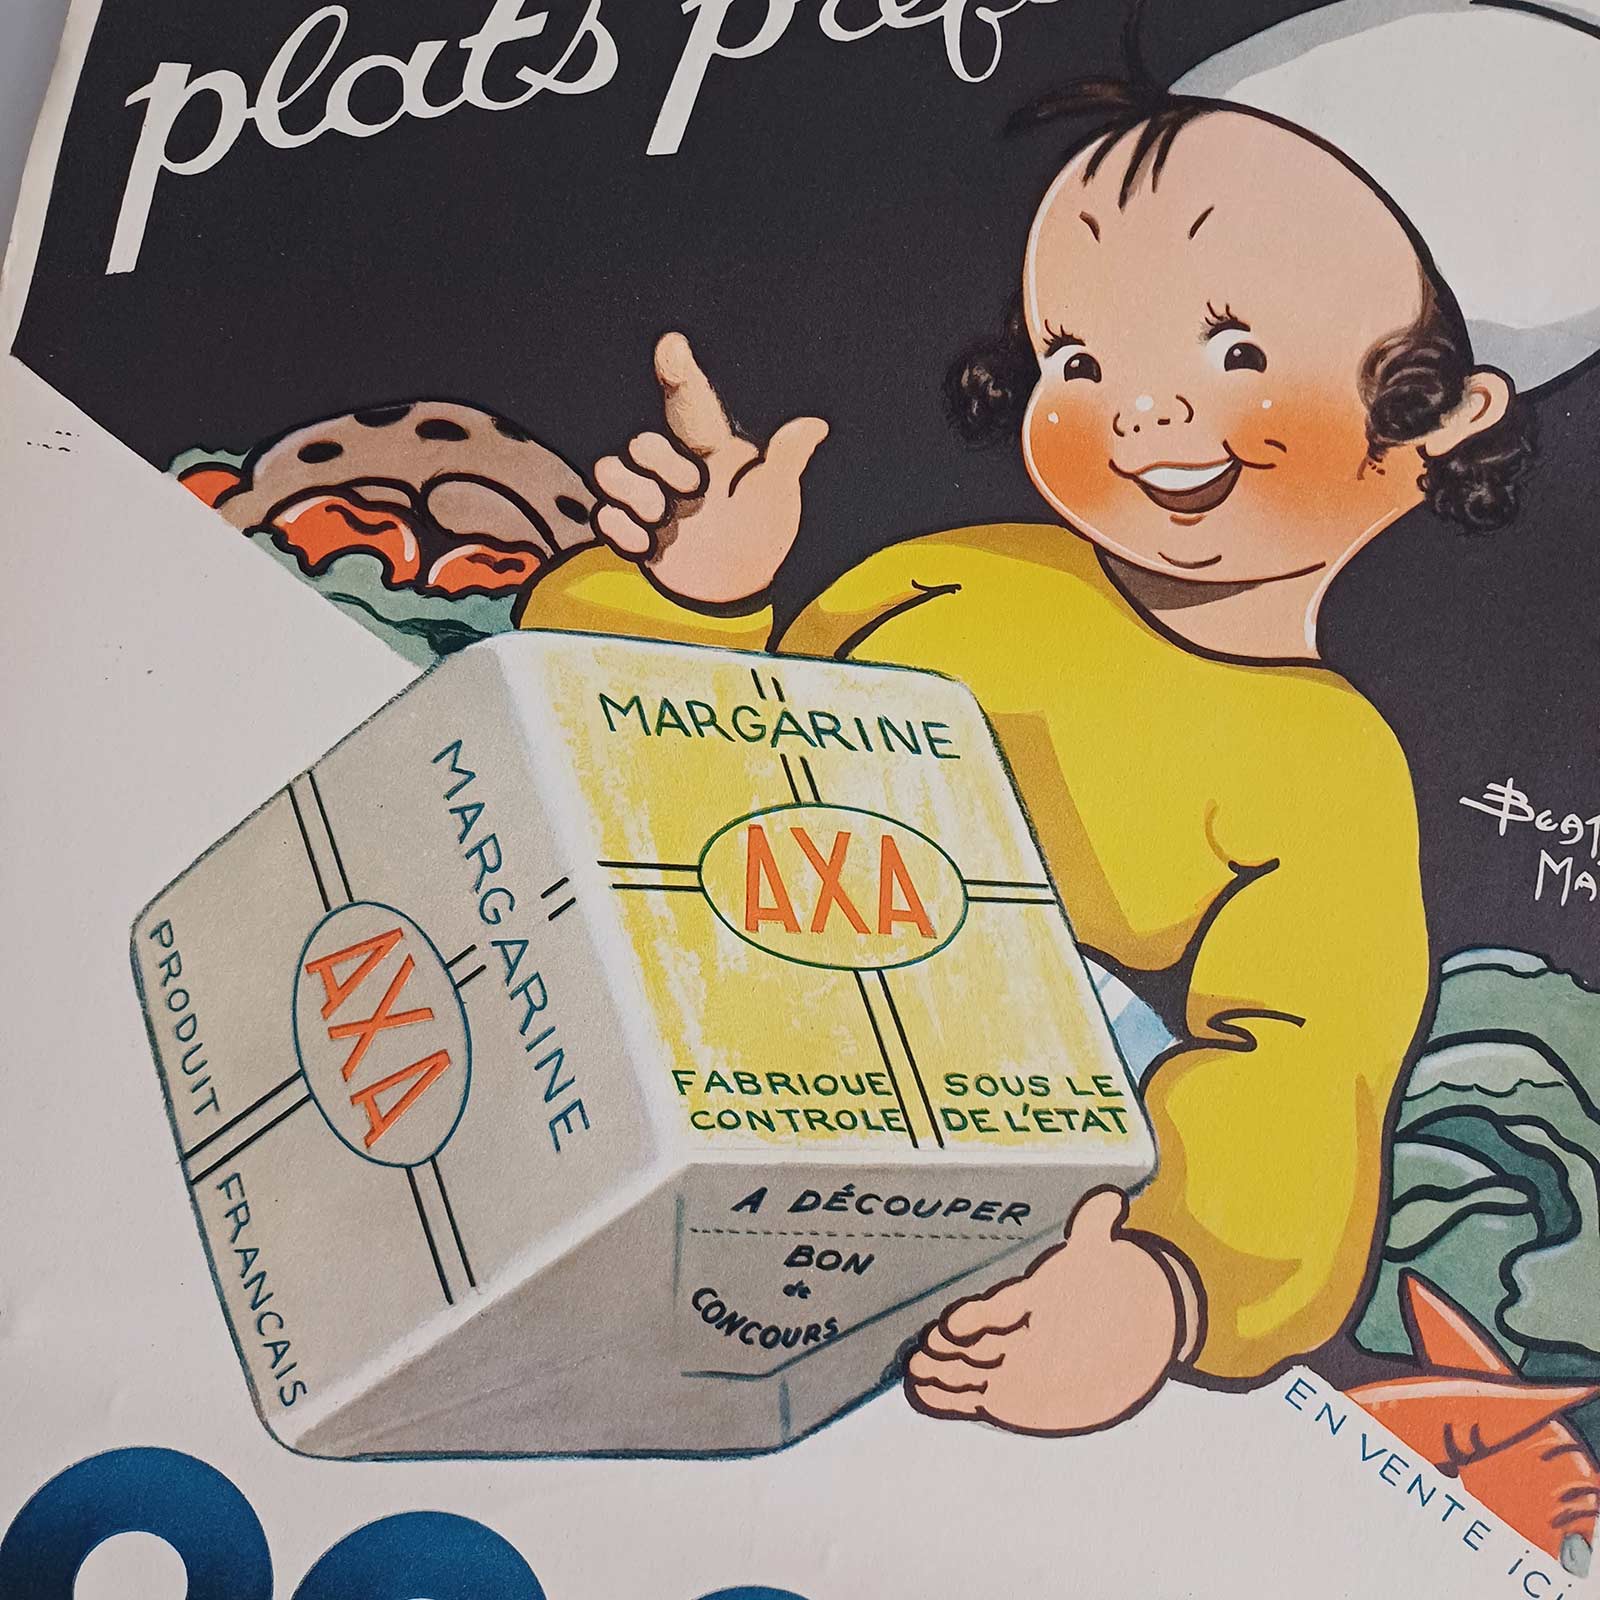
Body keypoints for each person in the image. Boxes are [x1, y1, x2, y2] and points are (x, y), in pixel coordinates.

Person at [510, 65, 1550, 1435]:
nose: (1138, 411)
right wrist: (688, 596)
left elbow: (1303, 1072)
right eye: (1079, 359)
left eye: (1236, 352)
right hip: (615, 1052)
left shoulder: (1329, 766)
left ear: (1446, 415)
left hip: (916, 1239)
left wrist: (1164, 1286)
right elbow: (667, 769)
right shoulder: (953, 576)